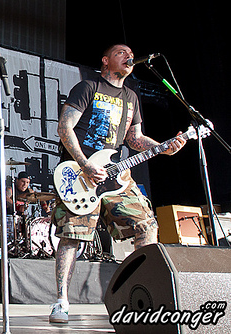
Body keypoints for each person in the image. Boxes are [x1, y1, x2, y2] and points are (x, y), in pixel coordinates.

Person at [49, 44, 186, 323]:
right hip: (80, 174)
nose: (128, 56)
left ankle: (142, 297)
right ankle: (61, 301)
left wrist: (164, 147)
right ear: (106, 60)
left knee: (146, 224)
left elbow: (135, 140)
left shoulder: (131, 97)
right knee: (72, 235)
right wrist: (86, 164)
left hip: (116, 176)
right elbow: (65, 127)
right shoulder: (88, 87)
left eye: (130, 54)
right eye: (121, 52)